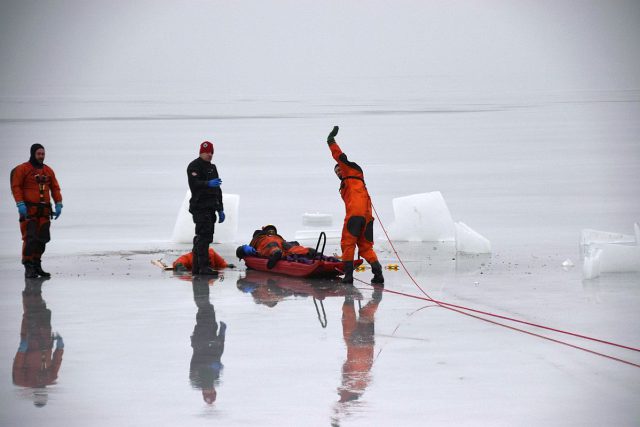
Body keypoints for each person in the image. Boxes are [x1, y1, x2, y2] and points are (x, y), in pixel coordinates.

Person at [326, 126, 384, 285]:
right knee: (365, 247)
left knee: (347, 243)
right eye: (336, 172)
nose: (338, 172)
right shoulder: (350, 182)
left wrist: (330, 141)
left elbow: (339, 156)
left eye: (339, 169)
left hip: (355, 214)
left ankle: (348, 276)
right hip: (367, 216)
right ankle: (377, 272)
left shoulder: (351, 171)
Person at [10, 144, 63, 278]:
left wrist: (58, 203)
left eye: (43, 154)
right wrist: (20, 203)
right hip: (29, 211)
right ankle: (28, 266)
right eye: (39, 154)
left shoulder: (48, 170)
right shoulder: (23, 169)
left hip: (44, 211)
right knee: (30, 238)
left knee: (43, 239)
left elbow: (55, 188)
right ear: (33, 154)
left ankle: (36, 264)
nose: (41, 156)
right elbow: (16, 187)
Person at [13, 277, 64, 406]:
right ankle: (37, 288)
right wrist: (59, 348)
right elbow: (56, 363)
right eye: (44, 394)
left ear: (35, 395)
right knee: (43, 311)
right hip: (46, 340)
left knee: (30, 313)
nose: (43, 391)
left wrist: (21, 351)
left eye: (41, 395)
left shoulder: (23, 381)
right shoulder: (51, 378)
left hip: (30, 343)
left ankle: (30, 286)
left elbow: (18, 366)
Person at [187, 141, 225, 276]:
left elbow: (218, 190)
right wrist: (207, 183)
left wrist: (220, 208)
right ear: (200, 152)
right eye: (207, 152)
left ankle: (197, 267)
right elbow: (194, 184)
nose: (209, 155)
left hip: (211, 208)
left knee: (206, 237)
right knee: (203, 237)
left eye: (211, 152)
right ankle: (203, 267)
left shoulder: (212, 168)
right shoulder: (194, 166)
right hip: (199, 207)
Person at [189, 276, 226, 404]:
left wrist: (210, 362)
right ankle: (200, 281)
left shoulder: (196, 379)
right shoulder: (214, 377)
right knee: (207, 307)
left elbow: (196, 364)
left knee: (205, 307)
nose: (208, 390)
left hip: (201, 336)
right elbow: (219, 353)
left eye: (207, 392)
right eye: (210, 391)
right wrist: (221, 335)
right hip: (210, 334)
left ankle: (199, 281)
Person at [236, 224, 316, 269]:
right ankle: (307, 251)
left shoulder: (258, 239)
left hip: (269, 243)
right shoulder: (275, 236)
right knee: (290, 249)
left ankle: (276, 253)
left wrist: (244, 249)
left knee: (270, 248)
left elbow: (240, 251)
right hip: (280, 240)